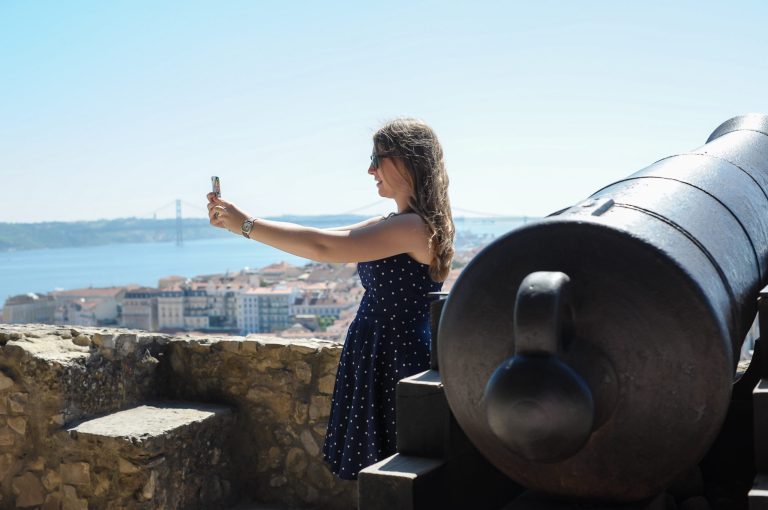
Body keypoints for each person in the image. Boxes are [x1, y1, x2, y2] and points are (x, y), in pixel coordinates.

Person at [206, 117, 455, 480]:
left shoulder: (413, 228)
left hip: (395, 356)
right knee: (387, 474)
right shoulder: (395, 223)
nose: (370, 168)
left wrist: (245, 225)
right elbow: (318, 236)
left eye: (377, 157)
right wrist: (239, 223)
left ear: (407, 160)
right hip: (382, 351)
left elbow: (324, 247)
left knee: (394, 474)